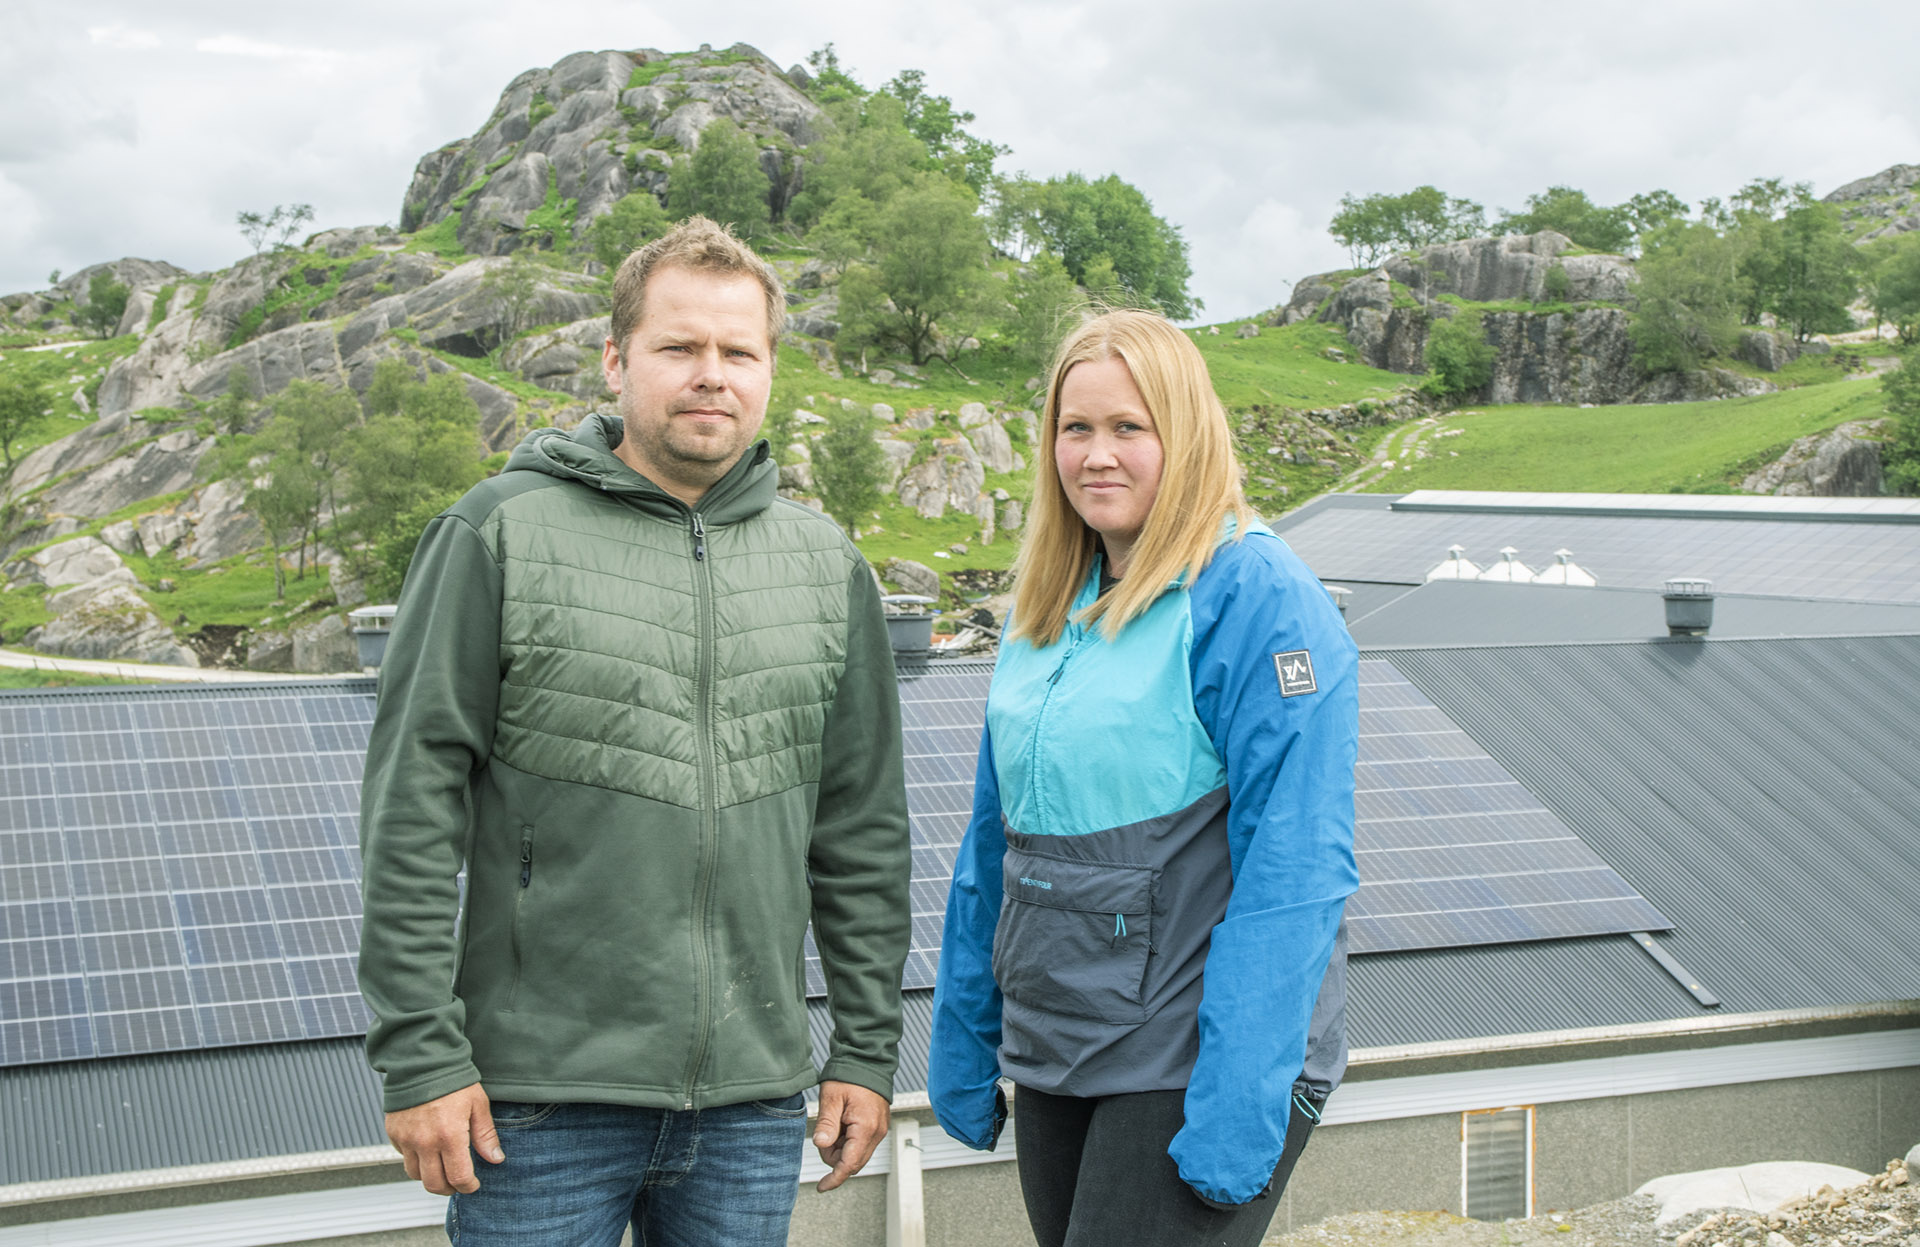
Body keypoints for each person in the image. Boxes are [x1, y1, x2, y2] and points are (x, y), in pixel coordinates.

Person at [356, 216, 912, 1246]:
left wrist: (866, 1051)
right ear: (617, 361)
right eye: (680, 347)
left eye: (738, 351)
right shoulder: (498, 533)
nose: (712, 374)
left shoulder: (825, 566)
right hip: (537, 1102)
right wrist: (422, 1055)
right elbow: (410, 811)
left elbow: (862, 832)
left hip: (751, 1099)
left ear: (769, 370)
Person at [927, 308, 1358, 1247]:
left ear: (1187, 434)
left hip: (1188, 1054)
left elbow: (1296, 866)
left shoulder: (1256, 596)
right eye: (1075, 428)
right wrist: (963, 1035)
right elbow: (995, 843)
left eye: (1131, 427)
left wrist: (1242, 1104)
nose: (1097, 455)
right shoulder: (1045, 602)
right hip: (1058, 1039)